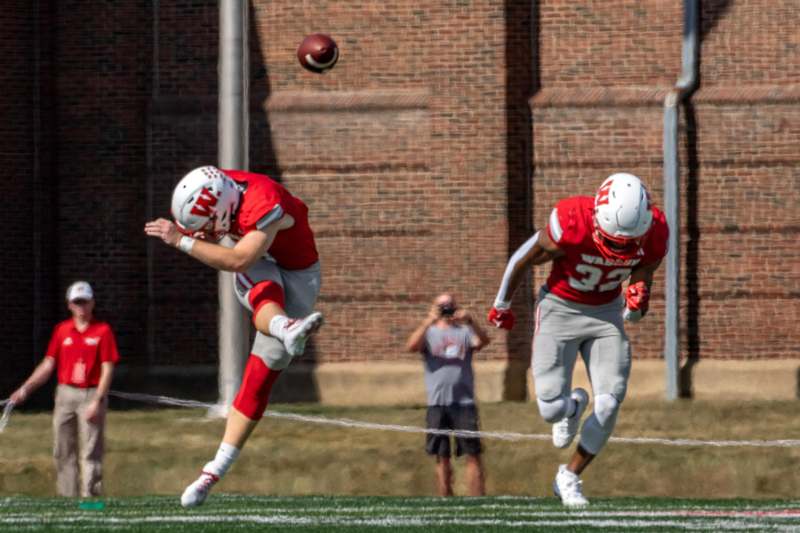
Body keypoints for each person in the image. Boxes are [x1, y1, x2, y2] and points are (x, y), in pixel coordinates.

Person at [144, 166, 324, 507]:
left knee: (259, 379)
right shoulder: (214, 188)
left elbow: (239, 259)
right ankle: (211, 473)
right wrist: (194, 233)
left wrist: (181, 241)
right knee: (262, 284)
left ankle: (215, 468)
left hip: (299, 274)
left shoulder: (263, 201)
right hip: (261, 266)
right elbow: (216, 237)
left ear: (224, 208)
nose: (209, 230)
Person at [487, 173, 669, 506]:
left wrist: (636, 305)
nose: (620, 248)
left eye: (628, 242)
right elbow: (524, 256)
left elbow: (639, 290)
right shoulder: (572, 220)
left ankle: (569, 476)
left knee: (610, 403)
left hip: (606, 314)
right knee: (550, 410)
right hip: (560, 308)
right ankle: (572, 407)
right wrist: (502, 303)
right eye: (614, 240)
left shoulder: (656, 231)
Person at [9, 281, 120, 498]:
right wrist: (25, 389)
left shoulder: (102, 331)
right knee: (63, 450)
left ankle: (91, 501)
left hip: (90, 392)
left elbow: (107, 368)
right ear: (69, 305)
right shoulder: (62, 330)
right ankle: (67, 500)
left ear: (92, 303)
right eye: (77, 302)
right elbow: (48, 364)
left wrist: (97, 400)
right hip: (65, 393)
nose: (81, 306)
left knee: (90, 452)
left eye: (85, 302)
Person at [406, 293, 490, 497]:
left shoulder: (465, 331)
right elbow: (411, 346)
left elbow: (483, 341)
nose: (446, 309)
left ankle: (478, 501)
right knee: (441, 456)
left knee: (473, 454)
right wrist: (429, 320)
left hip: (464, 402)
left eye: (450, 305)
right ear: (434, 307)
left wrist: (471, 320)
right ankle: (445, 500)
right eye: (441, 306)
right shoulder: (429, 332)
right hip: (437, 402)